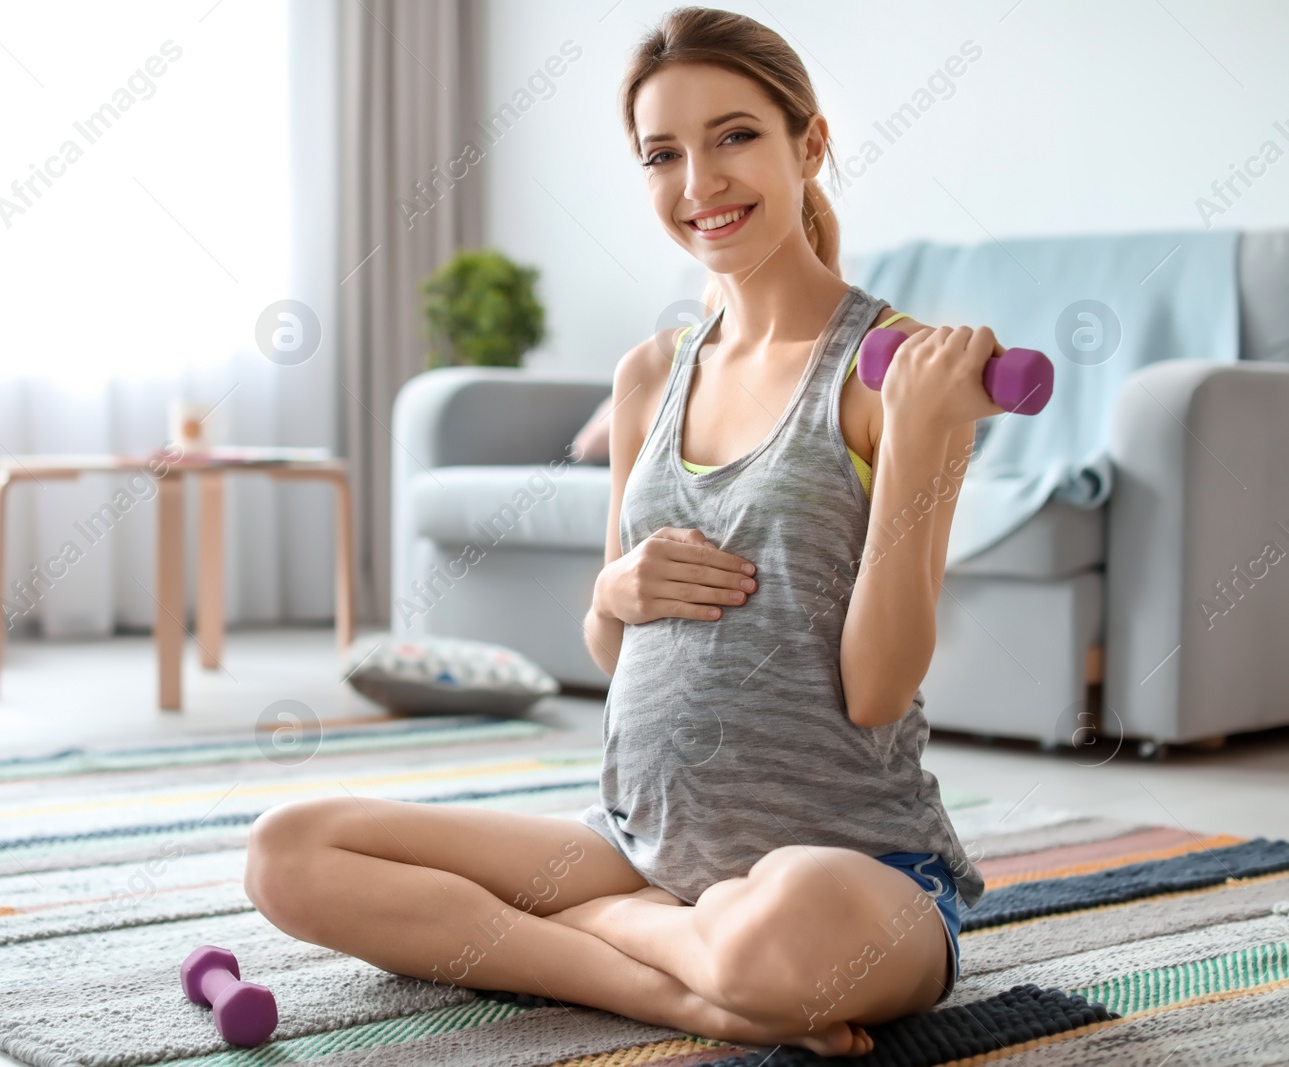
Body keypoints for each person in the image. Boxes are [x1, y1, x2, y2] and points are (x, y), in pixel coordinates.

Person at [246, 6, 1000, 1056]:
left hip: (848, 867)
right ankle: (678, 985)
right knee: (290, 849)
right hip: (637, 848)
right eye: (663, 153)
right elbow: (610, 650)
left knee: (780, 941)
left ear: (808, 143)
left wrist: (922, 436)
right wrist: (613, 592)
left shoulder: (894, 372)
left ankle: (584, 944)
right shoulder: (650, 373)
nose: (700, 182)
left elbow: (877, 690)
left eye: (734, 135)